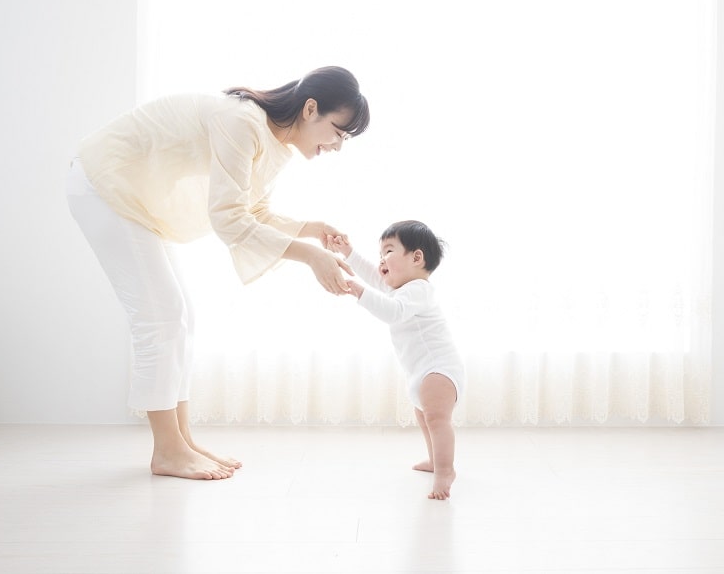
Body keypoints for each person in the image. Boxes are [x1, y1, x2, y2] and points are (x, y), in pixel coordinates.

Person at [66, 66, 369, 480]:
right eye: (337, 131)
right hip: (104, 182)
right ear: (310, 109)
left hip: (128, 194)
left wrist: (310, 230)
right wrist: (310, 257)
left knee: (180, 316)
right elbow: (228, 219)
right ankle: (167, 451)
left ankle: (182, 441)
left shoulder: (272, 140)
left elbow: (252, 210)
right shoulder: (242, 122)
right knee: (161, 317)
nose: (336, 146)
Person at [326, 221, 465, 500]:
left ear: (416, 257)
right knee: (425, 418)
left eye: (388, 251)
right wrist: (349, 252)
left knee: (437, 420)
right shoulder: (401, 288)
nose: (381, 261)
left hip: (439, 369)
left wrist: (358, 291)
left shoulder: (418, 289)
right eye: (380, 255)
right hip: (421, 372)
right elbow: (374, 277)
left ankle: (445, 470)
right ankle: (435, 460)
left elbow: (393, 312)